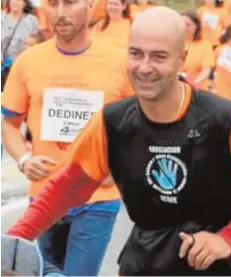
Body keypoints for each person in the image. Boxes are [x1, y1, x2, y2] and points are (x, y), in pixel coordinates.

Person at [6, 6, 231, 276]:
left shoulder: (225, 120)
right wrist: (12, 244)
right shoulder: (111, 122)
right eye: (136, 54)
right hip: (143, 263)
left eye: (159, 57)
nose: (144, 67)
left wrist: (229, 239)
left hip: (215, 269)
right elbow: (65, 188)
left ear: (182, 58)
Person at [1, 0, 133, 275]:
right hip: (45, 194)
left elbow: (140, 128)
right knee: (40, 269)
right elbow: (10, 124)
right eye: (53, 4)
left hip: (98, 196)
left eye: (70, 3)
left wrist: (120, 166)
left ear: (90, 5)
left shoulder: (119, 63)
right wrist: (24, 160)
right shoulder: (29, 61)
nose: (60, 13)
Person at [1, 0, 39, 90]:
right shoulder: (2, 20)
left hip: (24, 65)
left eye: (18, 0)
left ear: (25, 3)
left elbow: (36, 41)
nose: (15, 2)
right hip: (5, 66)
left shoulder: (31, 20)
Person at [180, 10, 214, 91]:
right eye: (181, 24)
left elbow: (206, 71)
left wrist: (193, 83)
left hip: (196, 89)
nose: (184, 27)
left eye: (188, 25)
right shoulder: (173, 42)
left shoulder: (205, 45)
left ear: (196, 26)